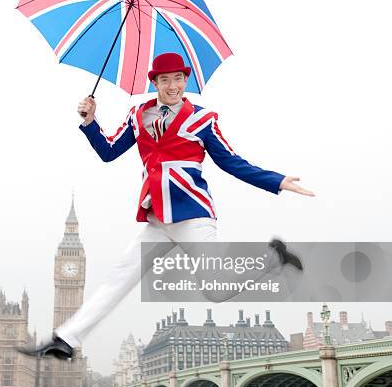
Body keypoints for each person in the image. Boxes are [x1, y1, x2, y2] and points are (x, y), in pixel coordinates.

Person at [16, 52, 314, 360]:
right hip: (157, 218)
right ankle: (65, 339)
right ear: (155, 83)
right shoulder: (138, 115)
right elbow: (108, 152)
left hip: (192, 215)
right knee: (119, 277)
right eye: (165, 80)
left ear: (185, 81)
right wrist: (91, 121)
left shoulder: (203, 119)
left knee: (216, 291)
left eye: (178, 79)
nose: (172, 86)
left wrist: (276, 180)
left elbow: (231, 162)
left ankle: (272, 257)